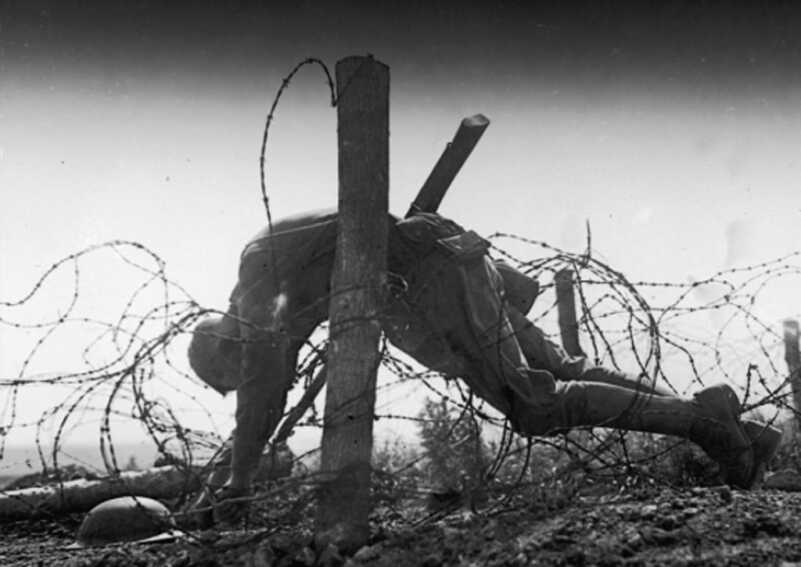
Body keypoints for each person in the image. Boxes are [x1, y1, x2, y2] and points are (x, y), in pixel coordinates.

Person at [187, 209, 781, 523]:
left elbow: (263, 386)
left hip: (435, 289)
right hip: (452, 267)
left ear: (225, 347)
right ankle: (737, 427)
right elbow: (269, 380)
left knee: (534, 404)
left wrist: (238, 480)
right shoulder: (269, 271)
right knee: (562, 366)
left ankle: (705, 423)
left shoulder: (255, 290)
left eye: (227, 379)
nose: (240, 384)